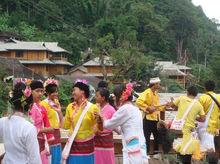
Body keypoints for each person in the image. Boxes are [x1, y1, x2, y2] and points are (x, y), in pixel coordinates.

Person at [95, 83, 148, 164]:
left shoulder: (124, 109)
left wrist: (102, 117)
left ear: (121, 97)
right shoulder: (135, 109)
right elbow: (120, 130)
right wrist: (113, 124)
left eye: (116, 96)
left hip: (132, 146)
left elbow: (107, 125)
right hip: (139, 145)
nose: (115, 99)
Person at [0, 82, 41, 164]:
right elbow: (35, 159)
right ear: (30, 106)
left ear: (13, 104)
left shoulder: (2, 121)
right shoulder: (29, 128)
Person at [62, 80, 102, 164]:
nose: (72, 93)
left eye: (74, 90)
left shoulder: (92, 108)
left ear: (82, 91)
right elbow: (65, 126)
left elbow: (99, 129)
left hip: (87, 146)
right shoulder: (70, 107)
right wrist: (59, 112)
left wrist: (100, 121)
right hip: (73, 145)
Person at [168, 86, 205, 164]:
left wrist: (172, 101)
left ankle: (178, 161)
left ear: (187, 92)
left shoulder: (181, 98)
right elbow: (203, 119)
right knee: (188, 149)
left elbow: (172, 106)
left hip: (178, 128)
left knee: (178, 146)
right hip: (189, 130)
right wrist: (195, 117)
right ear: (196, 94)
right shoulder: (198, 104)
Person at [136, 77, 165, 154]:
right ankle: (145, 153)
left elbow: (157, 106)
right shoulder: (147, 92)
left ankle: (155, 153)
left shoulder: (156, 94)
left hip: (155, 118)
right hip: (148, 118)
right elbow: (138, 101)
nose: (159, 85)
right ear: (154, 84)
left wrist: (165, 106)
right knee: (146, 137)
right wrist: (147, 107)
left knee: (157, 136)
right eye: (158, 84)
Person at [29, 80, 54, 164]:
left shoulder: (42, 108)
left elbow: (46, 123)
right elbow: (27, 128)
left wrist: (49, 143)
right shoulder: (27, 108)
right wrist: (44, 130)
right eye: (37, 91)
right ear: (30, 91)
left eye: (41, 91)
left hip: (42, 143)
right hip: (31, 142)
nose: (40, 94)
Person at [40, 79, 63, 164]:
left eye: (56, 92)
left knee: (57, 155)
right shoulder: (43, 104)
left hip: (57, 132)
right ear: (48, 93)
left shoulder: (56, 102)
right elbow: (42, 121)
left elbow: (60, 118)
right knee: (50, 156)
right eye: (53, 92)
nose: (56, 94)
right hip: (48, 132)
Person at [198, 80, 220, 164]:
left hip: (205, 127)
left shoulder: (202, 98)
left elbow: (198, 111)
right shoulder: (219, 97)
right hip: (216, 127)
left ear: (205, 88)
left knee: (208, 149)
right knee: (216, 147)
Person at [94, 87, 116, 164]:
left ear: (103, 98)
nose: (95, 97)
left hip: (106, 140)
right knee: (97, 159)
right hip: (96, 139)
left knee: (107, 160)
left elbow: (114, 126)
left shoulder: (111, 109)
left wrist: (102, 118)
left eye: (97, 96)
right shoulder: (95, 108)